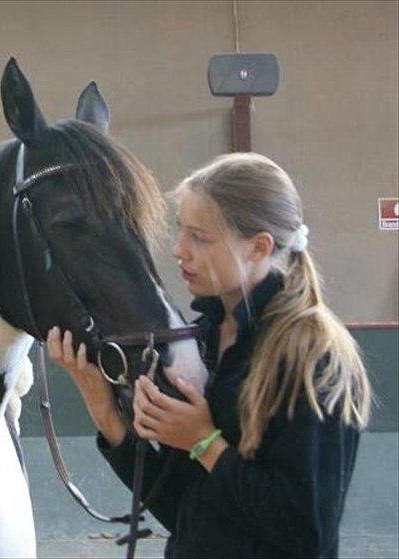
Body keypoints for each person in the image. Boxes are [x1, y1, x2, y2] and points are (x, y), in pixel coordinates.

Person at [46, 152, 372, 558]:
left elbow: (306, 532)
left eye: (199, 237)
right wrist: (106, 413)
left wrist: (204, 442)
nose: (179, 250)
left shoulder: (312, 355)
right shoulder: (205, 340)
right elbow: (183, 509)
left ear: (257, 248)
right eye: (181, 230)